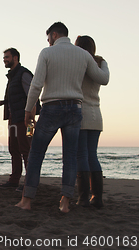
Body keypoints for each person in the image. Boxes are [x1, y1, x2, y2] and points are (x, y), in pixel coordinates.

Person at [15, 22, 109, 213]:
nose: (48, 41)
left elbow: (36, 84)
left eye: (48, 37)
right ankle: (65, 202)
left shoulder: (47, 53)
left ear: (55, 35)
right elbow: (101, 78)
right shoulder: (83, 55)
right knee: (70, 157)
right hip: (75, 109)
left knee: (36, 155)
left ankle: (26, 200)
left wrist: (28, 110)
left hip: (52, 108)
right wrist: (103, 62)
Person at [0, 48, 38, 191]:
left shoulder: (24, 74)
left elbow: (32, 96)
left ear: (15, 58)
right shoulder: (12, 77)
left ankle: (29, 182)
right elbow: (15, 97)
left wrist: (30, 118)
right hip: (13, 118)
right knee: (13, 149)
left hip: (25, 119)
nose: (4, 60)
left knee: (26, 149)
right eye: (4, 58)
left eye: (7, 57)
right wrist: (2, 103)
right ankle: (14, 180)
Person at [75, 35, 108, 208]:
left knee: (82, 155)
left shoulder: (79, 63)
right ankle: (97, 197)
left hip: (82, 113)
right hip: (96, 113)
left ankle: (83, 198)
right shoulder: (100, 63)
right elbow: (105, 79)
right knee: (92, 154)